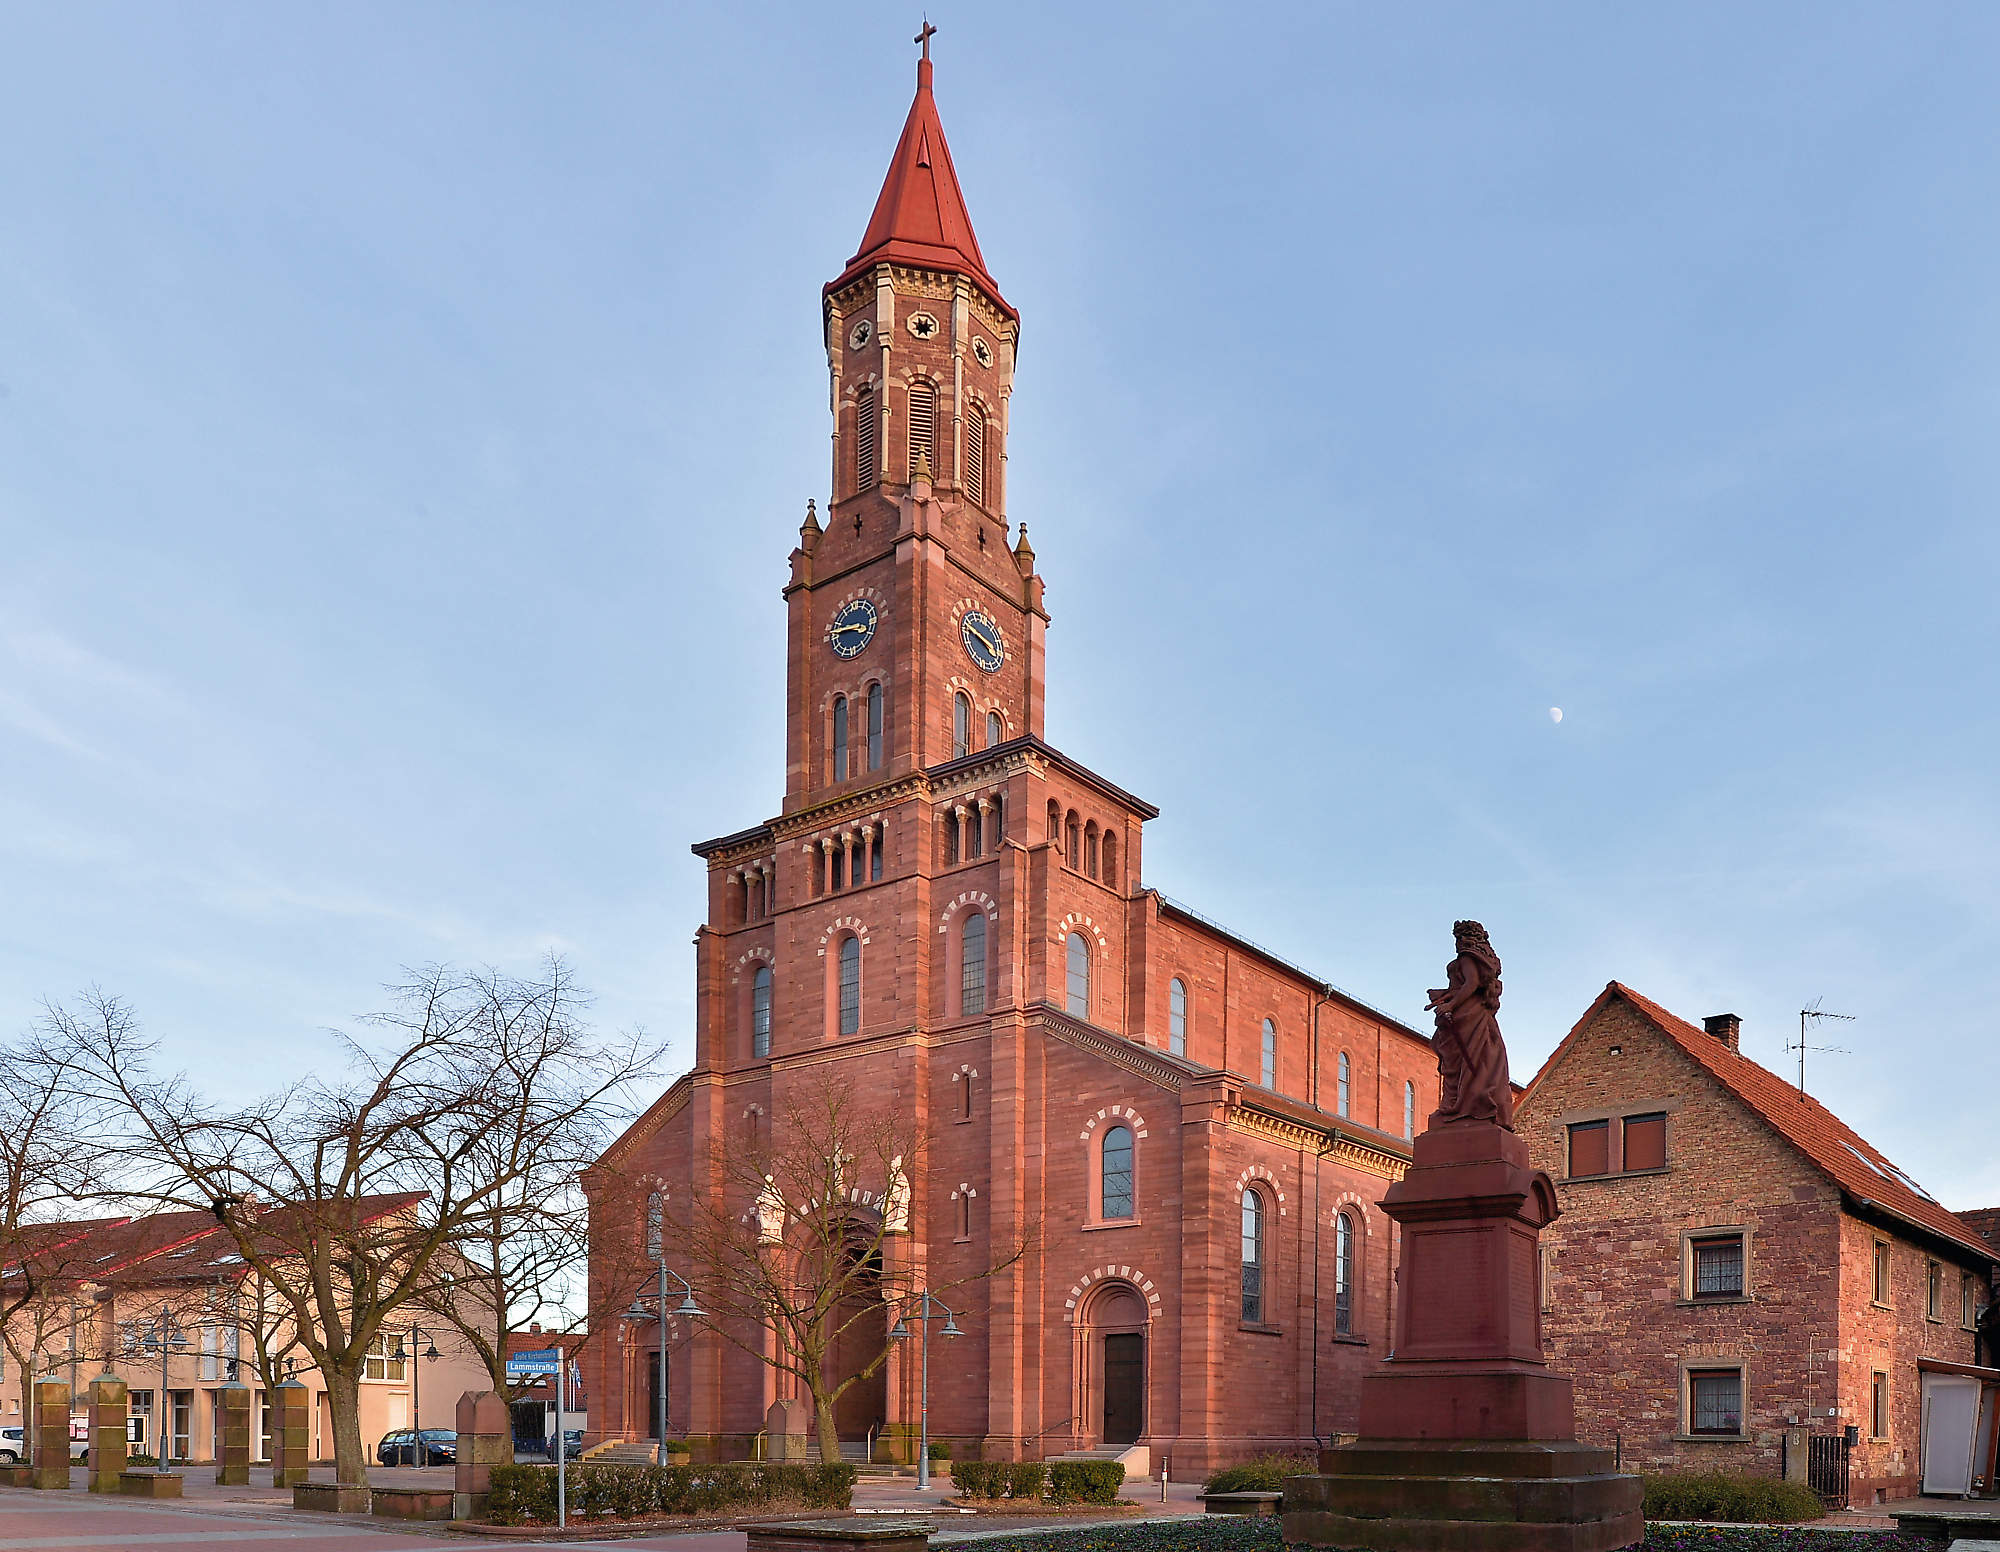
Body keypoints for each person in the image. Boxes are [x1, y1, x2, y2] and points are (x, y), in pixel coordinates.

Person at [1424, 920, 1514, 1130]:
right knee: (1481, 1059)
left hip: (1467, 1014)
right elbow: (1468, 984)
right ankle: (1473, 1103)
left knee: (1464, 1061)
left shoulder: (1466, 957)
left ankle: (1462, 1105)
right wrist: (1444, 996)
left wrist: (1451, 1005)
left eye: (1457, 938)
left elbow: (1471, 983)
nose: (1456, 943)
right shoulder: (1480, 959)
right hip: (1476, 1013)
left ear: (1463, 938)